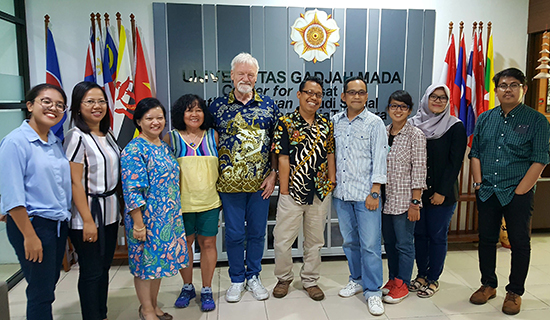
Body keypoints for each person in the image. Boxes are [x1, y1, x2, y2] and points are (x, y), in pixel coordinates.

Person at [468, 68, 550, 315]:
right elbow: (475, 153)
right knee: (486, 240)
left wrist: (521, 191)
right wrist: (478, 183)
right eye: (503, 85)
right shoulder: (485, 118)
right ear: (496, 90)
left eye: (514, 85)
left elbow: (540, 159)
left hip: (518, 192)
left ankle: (515, 291)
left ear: (523, 89)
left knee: (519, 242)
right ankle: (488, 284)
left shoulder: (537, 120)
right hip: (488, 191)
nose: (508, 89)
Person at [209, 52, 280, 302]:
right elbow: (208, 143)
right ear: (231, 75)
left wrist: (274, 175)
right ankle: (237, 279)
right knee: (235, 234)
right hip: (229, 185)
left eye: (250, 74)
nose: (246, 78)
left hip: (261, 184)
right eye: (241, 73)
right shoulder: (217, 107)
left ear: (257, 77)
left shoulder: (269, 105)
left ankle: (254, 276)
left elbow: (276, 145)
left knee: (258, 233)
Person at [0, 84, 71, 320]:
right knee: (40, 291)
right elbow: (12, 195)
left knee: (47, 285)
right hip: (32, 225)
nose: (53, 108)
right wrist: (30, 236)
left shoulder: (53, 140)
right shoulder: (15, 142)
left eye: (60, 105)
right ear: (30, 105)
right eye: (47, 102)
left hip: (56, 225)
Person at [121, 97, 188, 320]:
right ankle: (146, 309)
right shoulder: (134, 149)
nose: (155, 122)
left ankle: (153, 305)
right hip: (145, 219)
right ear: (139, 120)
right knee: (143, 265)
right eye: (149, 118)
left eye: (159, 117)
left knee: (157, 265)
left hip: (167, 218)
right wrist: (138, 224)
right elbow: (132, 190)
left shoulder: (164, 147)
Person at [271, 76, 335, 301]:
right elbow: (283, 158)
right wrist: (285, 190)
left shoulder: (326, 124)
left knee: (315, 241)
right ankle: (284, 278)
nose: (313, 98)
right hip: (292, 191)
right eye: (309, 93)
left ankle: (310, 280)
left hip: (320, 190)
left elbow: (330, 153)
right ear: (299, 94)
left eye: (318, 95)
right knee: (282, 239)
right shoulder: (285, 123)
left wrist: (332, 179)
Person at [63, 82, 121, 320]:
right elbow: (75, 182)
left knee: (104, 268)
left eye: (101, 101)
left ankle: (102, 313)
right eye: (90, 101)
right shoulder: (75, 137)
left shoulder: (107, 133)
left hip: (109, 213)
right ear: (78, 107)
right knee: (91, 271)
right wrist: (87, 220)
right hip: (87, 215)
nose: (97, 106)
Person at [332, 76, 388, 315]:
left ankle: (373, 291)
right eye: (352, 92)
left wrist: (375, 191)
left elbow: (380, 158)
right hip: (342, 195)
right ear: (343, 96)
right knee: (349, 242)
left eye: (361, 92)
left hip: (367, 196)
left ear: (367, 96)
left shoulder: (375, 123)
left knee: (371, 245)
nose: (357, 96)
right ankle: (356, 279)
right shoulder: (335, 121)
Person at [409, 84, 467, 298]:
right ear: (426, 98)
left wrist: (441, 191)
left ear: (448, 101)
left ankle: (433, 279)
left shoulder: (455, 126)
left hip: (443, 194)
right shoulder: (412, 124)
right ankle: (421, 275)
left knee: (437, 235)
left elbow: (455, 163)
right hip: (417, 193)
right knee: (419, 234)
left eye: (443, 98)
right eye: (434, 96)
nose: (438, 101)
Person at [164, 94, 220, 312]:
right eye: (189, 110)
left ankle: (206, 289)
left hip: (209, 202)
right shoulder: (171, 138)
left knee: (208, 245)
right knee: (184, 246)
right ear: (181, 114)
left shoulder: (213, 136)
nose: (194, 114)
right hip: (181, 205)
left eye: (198, 110)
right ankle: (187, 287)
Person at [381, 90, 427, 304]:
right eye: (394, 106)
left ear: (409, 110)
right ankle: (393, 279)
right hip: (385, 199)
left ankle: (403, 283)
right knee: (390, 244)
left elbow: (419, 169)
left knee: (404, 244)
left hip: (404, 200)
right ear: (388, 108)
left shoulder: (415, 135)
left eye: (403, 106)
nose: (397, 110)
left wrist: (415, 203)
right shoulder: (384, 130)